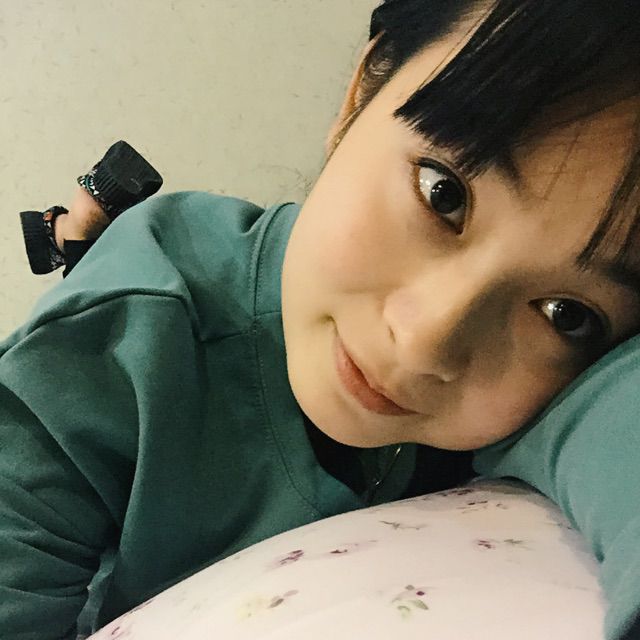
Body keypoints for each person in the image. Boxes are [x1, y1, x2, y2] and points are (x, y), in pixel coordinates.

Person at [1, 0, 639, 637]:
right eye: (442, 192)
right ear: (363, 91)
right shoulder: (124, 339)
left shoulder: (565, 385)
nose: (423, 343)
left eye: (565, 314)